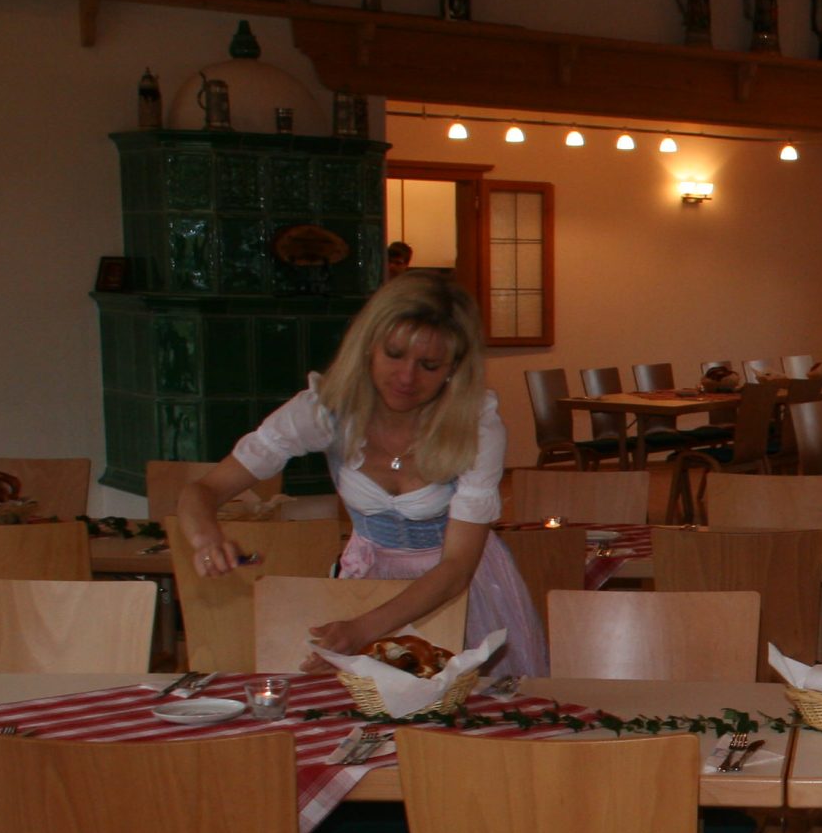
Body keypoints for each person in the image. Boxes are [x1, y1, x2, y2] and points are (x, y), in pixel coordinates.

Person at [174, 270, 547, 677]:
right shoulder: (326, 411)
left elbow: (456, 568)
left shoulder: (476, 427)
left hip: (460, 593)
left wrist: (363, 629)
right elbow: (202, 491)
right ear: (368, 346)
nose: (406, 377)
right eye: (394, 355)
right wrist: (205, 537)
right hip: (366, 585)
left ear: (454, 369)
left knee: (465, 710)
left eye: (428, 365)